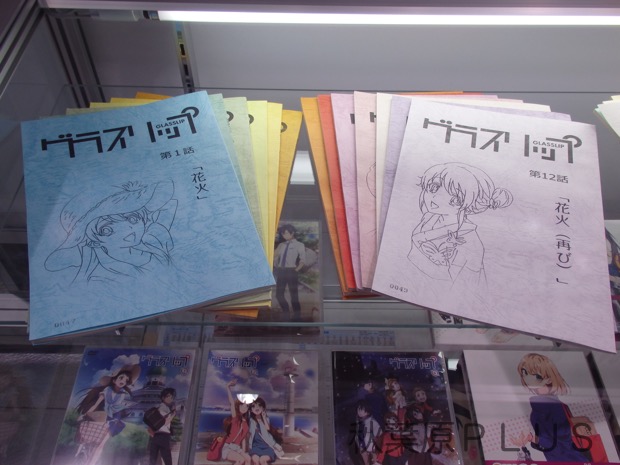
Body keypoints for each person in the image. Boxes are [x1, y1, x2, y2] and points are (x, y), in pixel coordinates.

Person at [45, 180, 177, 284]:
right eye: (107, 230)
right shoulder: (100, 277)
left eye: (133, 219)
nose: (128, 229)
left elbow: (170, 204)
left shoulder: (154, 242)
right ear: (93, 241)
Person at [408, 162, 512, 289]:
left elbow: (468, 289)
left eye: (455, 198)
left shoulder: (471, 243)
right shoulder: (430, 218)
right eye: (433, 188)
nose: (435, 197)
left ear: (467, 203)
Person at [514, 353, 594, 462]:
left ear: (548, 379)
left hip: (569, 459)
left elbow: (560, 441)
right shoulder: (542, 405)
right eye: (524, 373)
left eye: (534, 375)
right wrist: (533, 439)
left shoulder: (552, 406)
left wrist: (533, 438)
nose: (527, 378)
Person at [76, 363, 141, 465]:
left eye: (126, 380)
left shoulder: (124, 395)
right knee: (87, 439)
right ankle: (79, 455)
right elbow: (96, 404)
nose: (123, 381)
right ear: (114, 380)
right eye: (121, 378)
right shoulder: (107, 390)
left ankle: (91, 462)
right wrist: (86, 414)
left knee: (101, 444)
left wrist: (125, 408)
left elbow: (121, 408)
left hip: (114, 419)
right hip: (103, 415)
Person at [273, 224, 306, 318]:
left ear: (292, 233)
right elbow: (275, 256)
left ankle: (297, 316)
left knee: (294, 296)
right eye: (283, 234)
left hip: (292, 271)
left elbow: (303, 260)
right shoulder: (281, 245)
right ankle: (286, 312)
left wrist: (296, 270)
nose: (284, 236)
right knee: (279, 295)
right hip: (281, 271)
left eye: (286, 233)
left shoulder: (299, 245)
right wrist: (276, 264)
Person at [221, 380, 251, 465]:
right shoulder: (235, 417)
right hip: (228, 447)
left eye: (246, 406)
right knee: (240, 460)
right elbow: (231, 403)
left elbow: (243, 439)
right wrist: (228, 387)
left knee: (248, 459)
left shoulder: (246, 422)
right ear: (238, 406)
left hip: (238, 448)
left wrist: (244, 452)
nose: (244, 408)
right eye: (242, 405)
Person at [248, 397, 284, 464]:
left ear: (263, 408)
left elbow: (267, 429)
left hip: (267, 446)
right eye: (253, 406)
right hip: (256, 447)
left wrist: (263, 418)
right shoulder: (251, 420)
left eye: (259, 405)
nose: (256, 407)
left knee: (262, 460)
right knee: (256, 460)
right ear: (251, 410)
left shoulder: (266, 419)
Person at [149, 387, 177, 465]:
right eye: (168, 396)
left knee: (153, 458)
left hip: (156, 435)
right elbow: (165, 422)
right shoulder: (163, 408)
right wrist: (173, 414)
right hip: (163, 435)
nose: (170, 398)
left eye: (171, 397)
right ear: (163, 397)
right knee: (167, 458)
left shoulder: (159, 407)